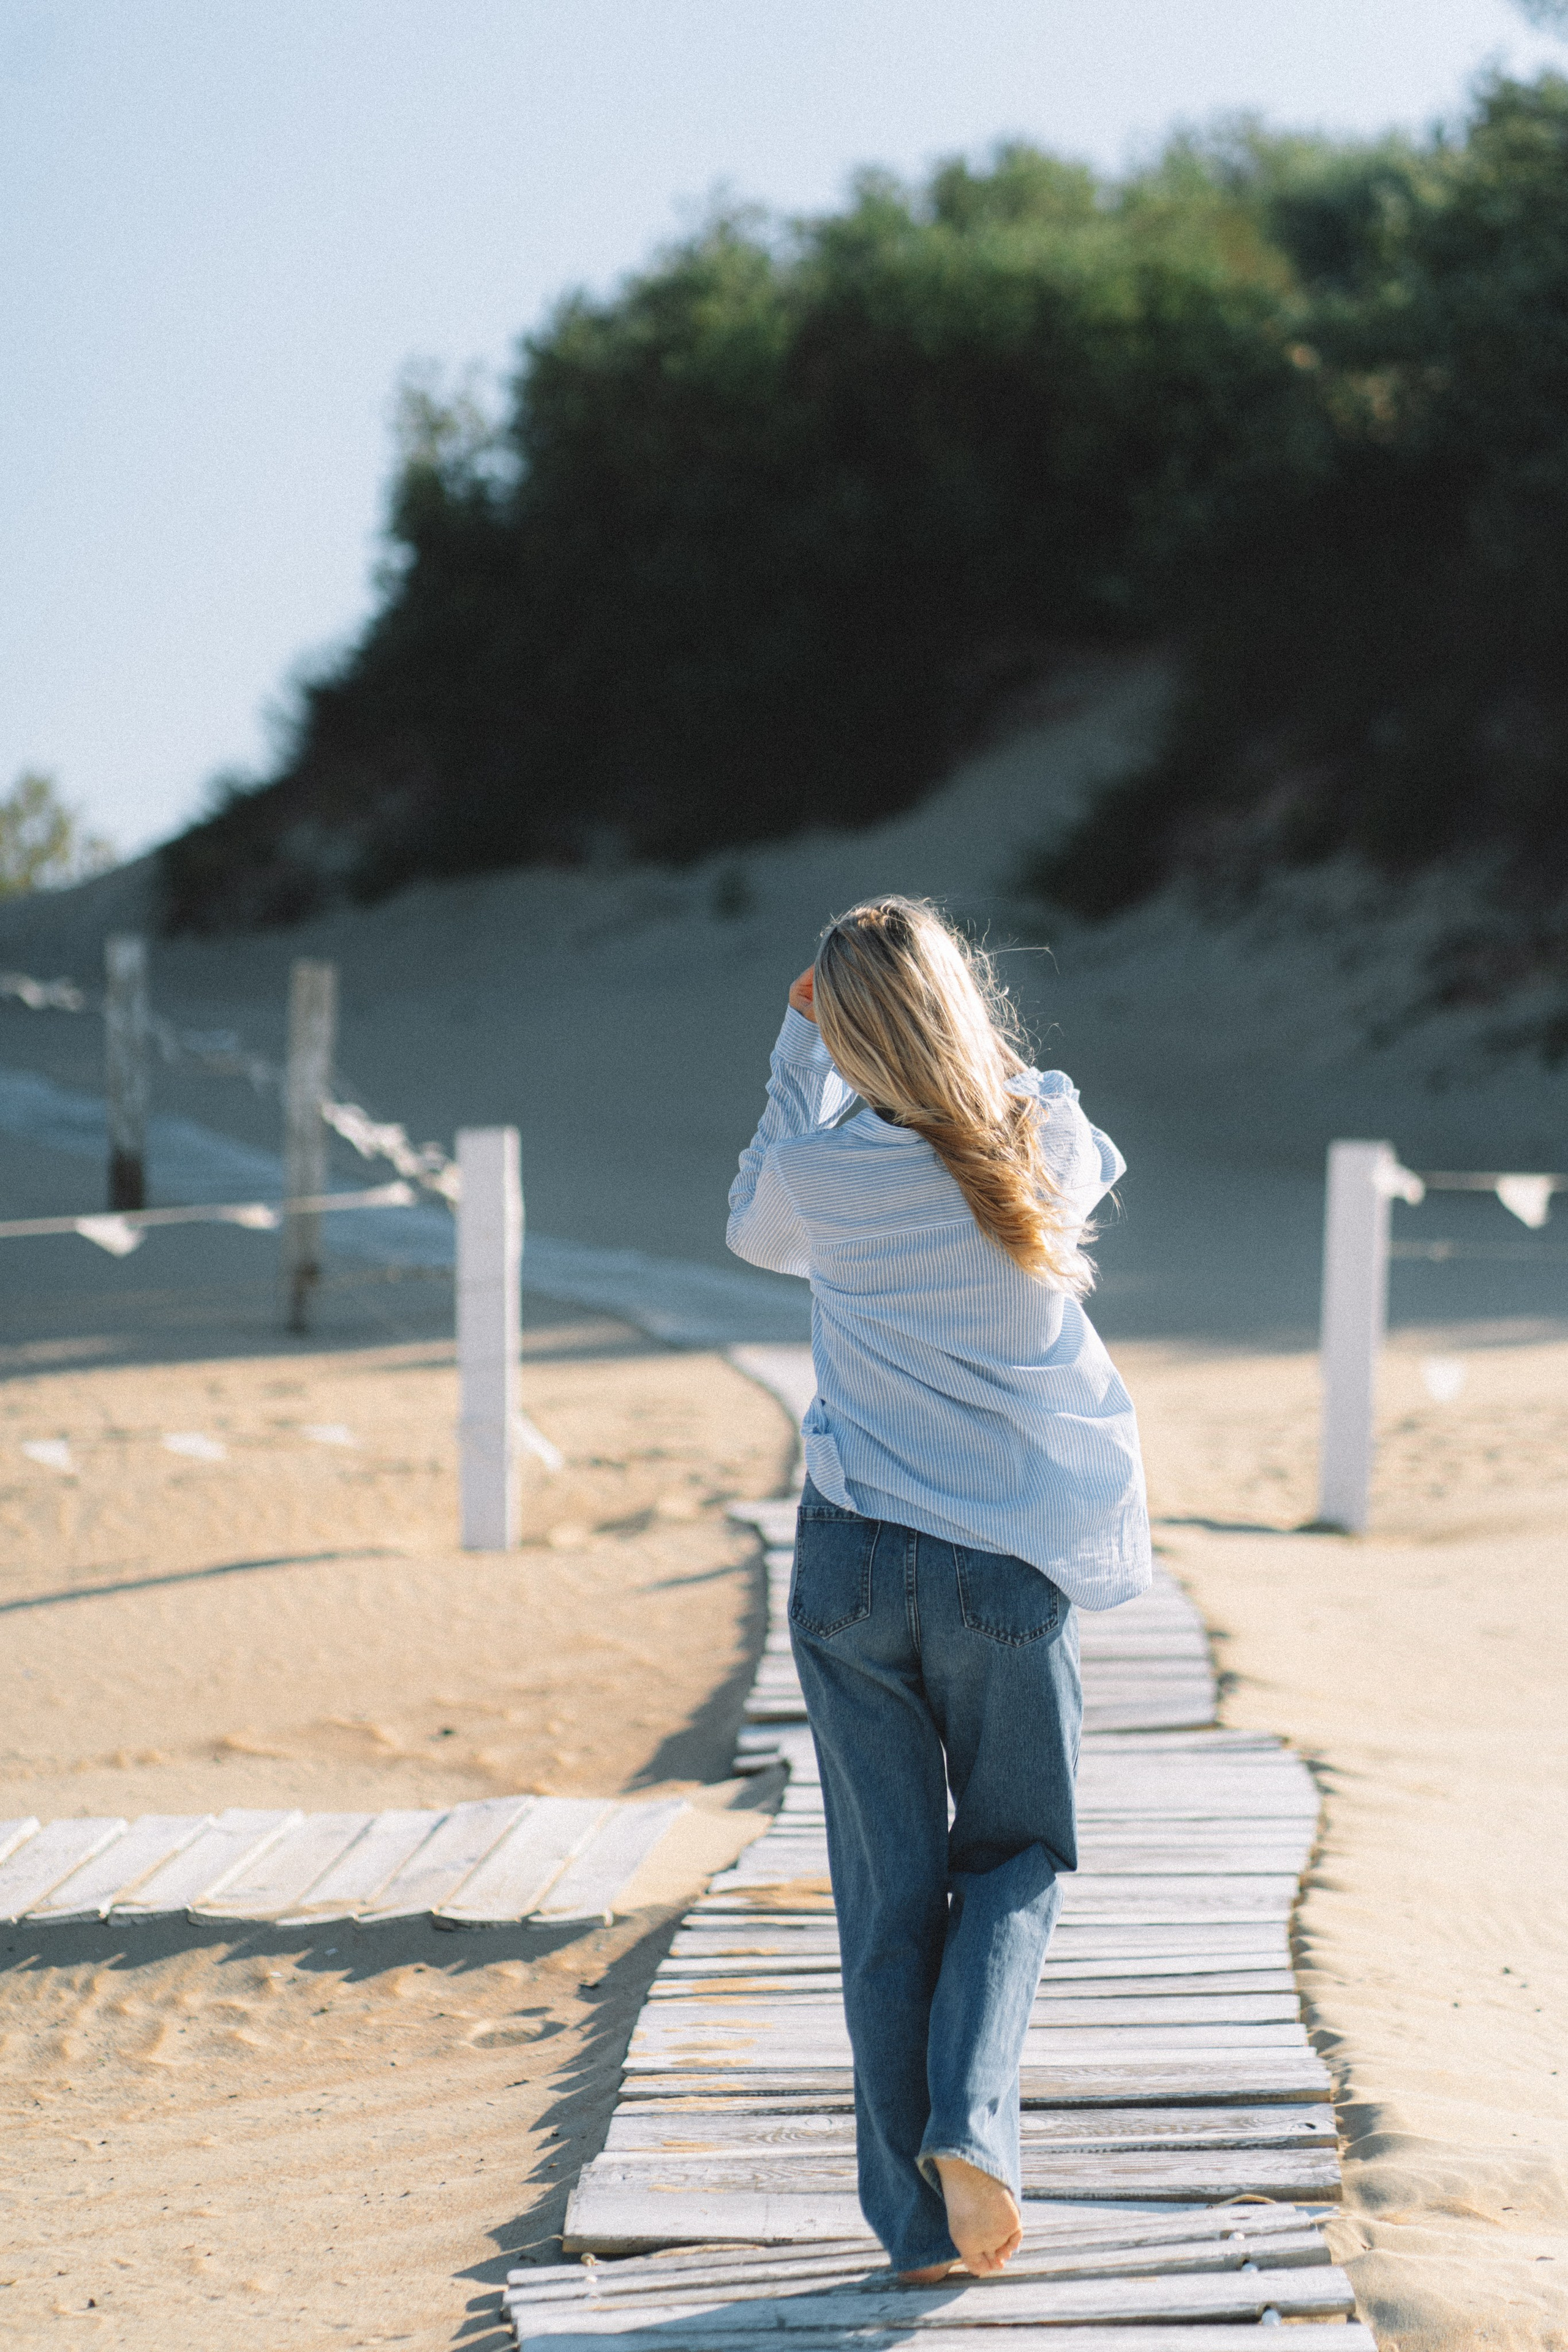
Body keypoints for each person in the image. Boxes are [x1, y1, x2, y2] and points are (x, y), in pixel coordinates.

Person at [726, 895, 1150, 2282]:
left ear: (848, 1038)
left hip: (852, 1562)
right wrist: (967, 1056)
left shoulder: (820, 1174)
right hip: (1002, 1572)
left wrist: (803, 1056)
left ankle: (913, 2231)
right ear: (962, 1012)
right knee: (1017, 1852)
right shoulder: (1038, 1147)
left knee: (884, 1892)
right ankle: (972, 2124)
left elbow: (749, 1226)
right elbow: (1065, 1126)